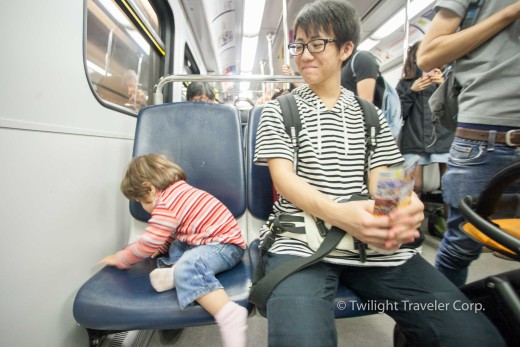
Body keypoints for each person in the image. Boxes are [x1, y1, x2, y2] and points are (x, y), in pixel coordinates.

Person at [253, 1, 504, 346]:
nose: (304, 55)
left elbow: (385, 178)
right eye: (299, 46)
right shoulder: (279, 111)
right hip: (301, 241)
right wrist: (343, 215)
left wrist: (402, 205)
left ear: (346, 49)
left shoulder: (370, 113)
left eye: (316, 44)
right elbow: (285, 181)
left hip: (371, 242)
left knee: (474, 336)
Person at [417, 0, 520, 287]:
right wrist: (511, 12)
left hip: (433, 143)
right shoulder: (401, 89)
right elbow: (427, 57)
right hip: (474, 135)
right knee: (460, 243)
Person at [100, 154, 247, 347]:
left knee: (189, 264)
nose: (142, 208)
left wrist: (123, 258)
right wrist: (162, 246)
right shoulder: (177, 191)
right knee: (176, 245)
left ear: (149, 189)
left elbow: (148, 243)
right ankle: (176, 274)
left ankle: (228, 313)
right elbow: (174, 230)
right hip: (205, 242)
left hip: (226, 247)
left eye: (139, 201)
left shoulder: (167, 203)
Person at [396, 41, 453, 194]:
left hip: (444, 139)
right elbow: (397, 115)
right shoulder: (405, 83)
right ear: (415, 58)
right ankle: (412, 217)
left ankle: (454, 218)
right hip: (413, 140)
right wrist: (411, 91)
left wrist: (444, 87)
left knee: (450, 185)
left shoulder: (449, 80)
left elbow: (457, 111)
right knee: (413, 187)